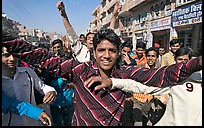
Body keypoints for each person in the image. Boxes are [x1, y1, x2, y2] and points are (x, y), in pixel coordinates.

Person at [2, 28, 202, 126]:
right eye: (102, 50)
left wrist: (198, 62)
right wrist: (6, 39)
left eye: (112, 51)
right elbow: (42, 57)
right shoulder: (79, 70)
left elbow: (163, 75)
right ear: (94, 52)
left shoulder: (125, 73)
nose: (106, 56)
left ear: (118, 52)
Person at [85, 47, 202, 126]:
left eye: (185, 60)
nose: (182, 63)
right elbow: (140, 86)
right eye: (179, 60)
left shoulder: (198, 79)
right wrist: (112, 82)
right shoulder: (172, 79)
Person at [2, 46, 57, 126]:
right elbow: (10, 104)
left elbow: (41, 86)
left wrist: (51, 91)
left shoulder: (27, 72)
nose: (12, 59)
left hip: (33, 122)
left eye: (15, 55)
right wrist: (35, 112)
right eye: (7, 55)